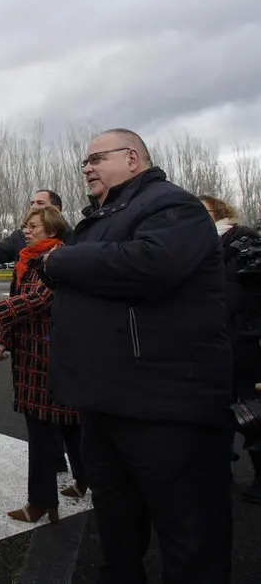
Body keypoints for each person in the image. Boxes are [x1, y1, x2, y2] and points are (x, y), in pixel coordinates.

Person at [40, 128, 233, 584]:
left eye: (95, 158)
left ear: (132, 158)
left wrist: (59, 261)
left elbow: (151, 264)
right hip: (107, 402)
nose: (85, 167)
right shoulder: (102, 216)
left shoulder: (172, 205)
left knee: (188, 534)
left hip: (164, 405)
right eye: (84, 162)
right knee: (117, 527)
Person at [0, 205, 86, 523]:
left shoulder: (55, 259)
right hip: (36, 354)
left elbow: (37, 299)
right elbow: (26, 305)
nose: (26, 231)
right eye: (25, 226)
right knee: (59, 424)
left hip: (46, 357)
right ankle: (73, 486)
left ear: (52, 229)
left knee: (45, 430)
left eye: (32, 226)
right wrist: (4, 339)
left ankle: (42, 502)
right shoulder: (31, 259)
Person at [199, 193, 261, 503]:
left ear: (218, 212)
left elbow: (241, 292)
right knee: (216, 410)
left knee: (250, 411)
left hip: (242, 339)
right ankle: (219, 470)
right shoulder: (198, 245)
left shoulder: (242, 239)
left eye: (202, 211)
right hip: (212, 341)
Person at [0, 189, 69, 266]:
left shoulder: (73, 237)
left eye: (40, 203)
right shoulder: (19, 237)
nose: (33, 207)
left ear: (56, 209)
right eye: (32, 203)